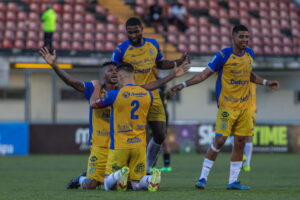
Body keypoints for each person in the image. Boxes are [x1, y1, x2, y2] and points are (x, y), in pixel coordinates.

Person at [171, 25, 280, 190]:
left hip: (245, 106)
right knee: (220, 140)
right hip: (227, 107)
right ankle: (202, 178)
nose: (245, 40)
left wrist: (265, 82)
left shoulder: (250, 54)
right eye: (241, 37)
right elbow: (203, 75)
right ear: (233, 38)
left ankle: (233, 181)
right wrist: (183, 84)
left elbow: (248, 74)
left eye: (247, 37)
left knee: (240, 142)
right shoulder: (223, 55)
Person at [90, 62, 189, 191]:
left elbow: (93, 103)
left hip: (120, 146)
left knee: (108, 184)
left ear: (119, 77)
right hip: (139, 146)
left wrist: (96, 87)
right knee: (137, 184)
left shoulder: (113, 95)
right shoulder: (147, 95)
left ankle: (120, 175)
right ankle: (150, 179)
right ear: (134, 76)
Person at [111, 17, 190, 174]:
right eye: (129, 32)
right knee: (133, 136)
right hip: (131, 97)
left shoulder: (153, 45)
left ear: (142, 29)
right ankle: (128, 170)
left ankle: (147, 166)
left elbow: (160, 63)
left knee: (160, 134)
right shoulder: (120, 50)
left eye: (136, 31)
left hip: (152, 94)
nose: (133, 35)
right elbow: (113, 72)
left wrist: (178, 61)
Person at [40, 47, 118, 189]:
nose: (114, 72)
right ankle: (81, 179)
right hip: (99, 144)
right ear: (103, 75)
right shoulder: (94, 88)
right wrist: (54, 65)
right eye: (110, 70)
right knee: (91, 185)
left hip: (118, 145)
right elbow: (71, 81)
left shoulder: (123, 91)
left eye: (116, 70)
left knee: (118, 184)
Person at [231, 82, 256, 172]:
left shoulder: (239, 77)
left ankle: (241, 156)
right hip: (251, 111)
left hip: (238, 109)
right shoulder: (253, 80)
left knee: (234, 134)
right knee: (248, 137)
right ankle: (247, 165)